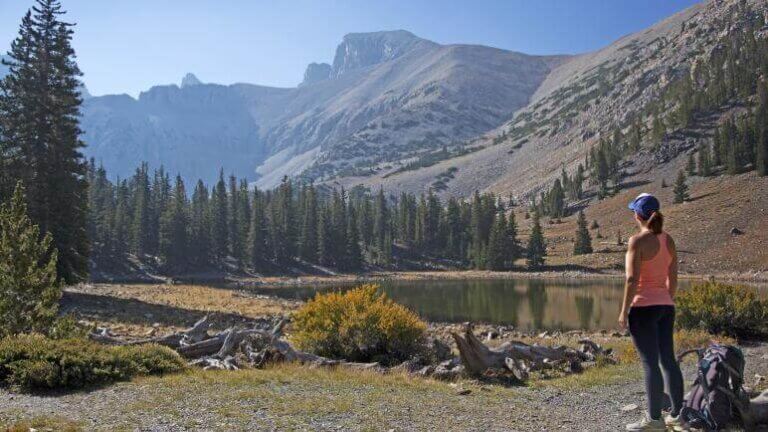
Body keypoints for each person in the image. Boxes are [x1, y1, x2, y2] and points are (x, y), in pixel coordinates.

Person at [619, 193, 685, 431]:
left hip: (643, 308)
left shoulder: (637, 241)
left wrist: (624, 310)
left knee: (650, 363)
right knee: (668, 360)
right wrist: (666, 299)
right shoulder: (669, 240)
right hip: (666, 306)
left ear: (637, 215)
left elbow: (631, 279)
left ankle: (655, 421)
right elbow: (673, 279)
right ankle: (678, 416)